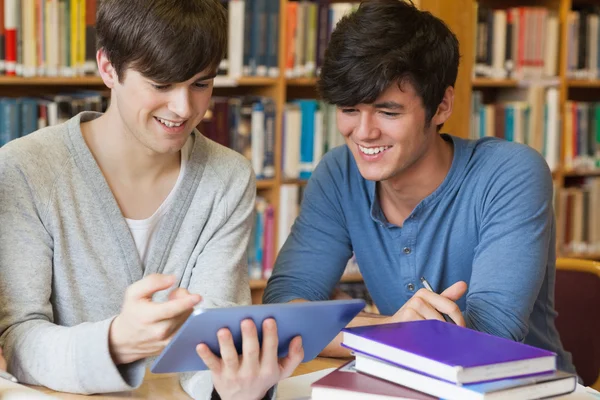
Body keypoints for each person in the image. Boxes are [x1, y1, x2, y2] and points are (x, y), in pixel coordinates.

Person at [0, 0, 302, 398]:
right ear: (108, 68)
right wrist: (115, 342)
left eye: (201, 83)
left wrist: (233, 388)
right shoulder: (25, 169)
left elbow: (212, 335)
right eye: (161, 84)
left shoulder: (227, 177)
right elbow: (16, 340)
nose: (184, 109)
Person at [263, 0, 576, 374]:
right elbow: (281, 312)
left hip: (522, 390)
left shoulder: (509, 173)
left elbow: (490, 336)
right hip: (404, 384)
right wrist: (393, 328)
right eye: (349, 109)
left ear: (441, 106)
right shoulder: (338, 174)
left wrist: (339, 328)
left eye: (388, 111)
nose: (363, 133)